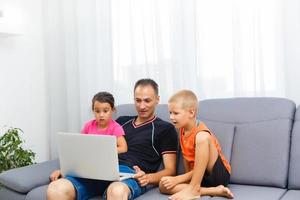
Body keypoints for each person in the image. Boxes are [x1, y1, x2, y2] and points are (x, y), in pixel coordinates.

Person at [47, 78, 178, 200]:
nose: (142, 106)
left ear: (157, 99)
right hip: (99, 170)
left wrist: (147, 178)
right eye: (138, 100)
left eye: (147, 101)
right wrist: (68, 168)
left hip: (130, 175)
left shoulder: (165, 129)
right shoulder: (120, 122)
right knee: (56, 189)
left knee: (117, 191)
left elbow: (170, 170)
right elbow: (94, 149)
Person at [159, 90, 234, 200]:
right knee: (163, 185)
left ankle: (194, 189)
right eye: (170, 113)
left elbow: (201, 168)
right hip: (197, 178)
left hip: (216, 175)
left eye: (175, 113)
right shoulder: (182, 130)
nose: (171, 117)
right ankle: (214, 190)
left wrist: (179, 179)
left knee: (202, 137)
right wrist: (183, 180)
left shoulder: (201, 132)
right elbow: (187, 162)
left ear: (191, 113)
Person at [49, 91, 127, 182]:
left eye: (105, 111)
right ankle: (63, 173)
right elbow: (80, 145)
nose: (101, 115)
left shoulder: (115, 128)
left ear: (113, 110)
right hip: (88, 164)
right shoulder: (88, 126)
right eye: (97, 111)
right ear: (93, 110)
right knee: (69, 176)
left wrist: (104, 151)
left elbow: (123, 148)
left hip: (105, 165)